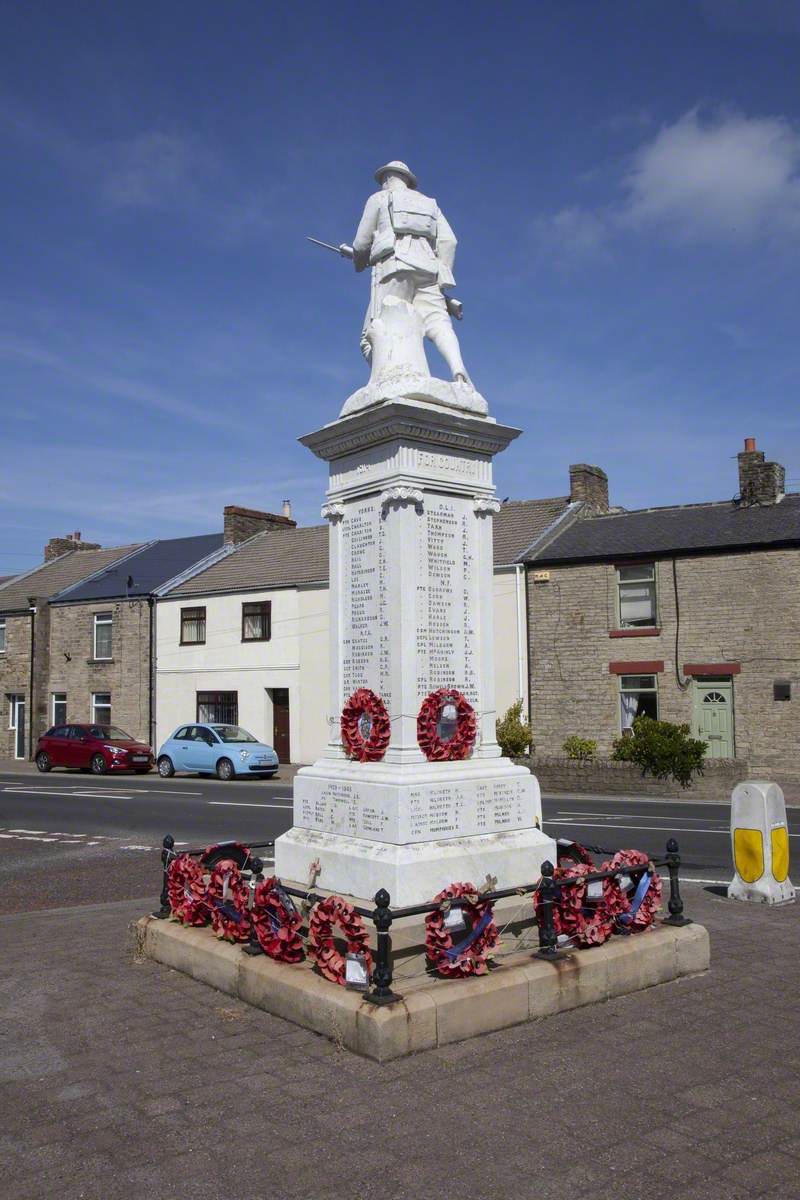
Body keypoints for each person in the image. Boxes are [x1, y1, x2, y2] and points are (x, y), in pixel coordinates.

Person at [348, 160, 470, 383]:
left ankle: (385, 379)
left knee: (372, 333)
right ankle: (458, 369)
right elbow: (449, 241)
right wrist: (442, 274)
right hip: (430, 270)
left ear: (386, 179)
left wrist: (359, 262)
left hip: (394, 266)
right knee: (438, 323)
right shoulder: (430, 204)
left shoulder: (379, 199)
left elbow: (361, 243)